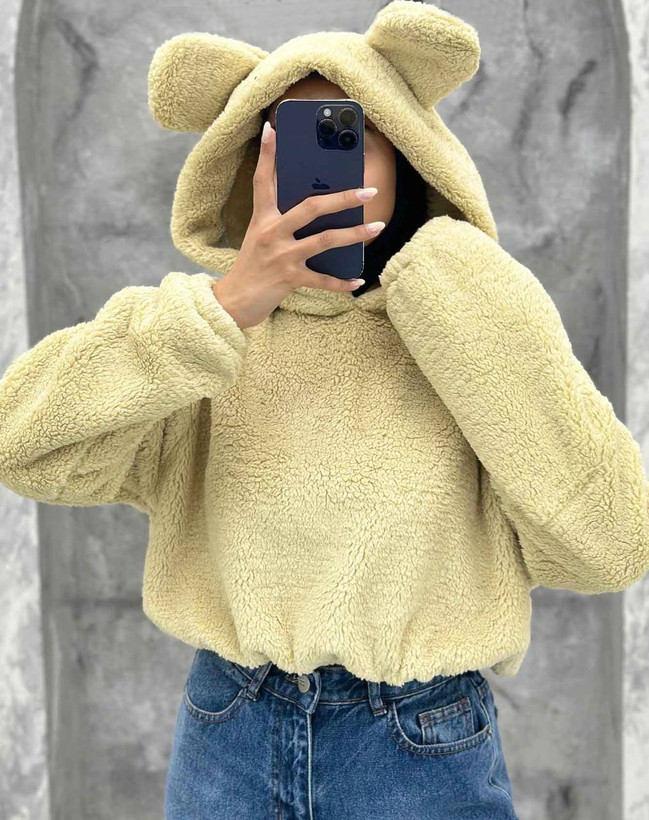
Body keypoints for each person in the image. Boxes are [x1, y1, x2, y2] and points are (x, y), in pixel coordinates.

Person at [1, 2, 647, 818]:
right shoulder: (202, 338)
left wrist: (453, 282)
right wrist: (226, 305)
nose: (321, 169)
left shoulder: (465, 323)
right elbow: (22, 441)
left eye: (347, 134)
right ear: (248, 166)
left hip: (418, 743)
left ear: (407, 153)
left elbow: (611, 544)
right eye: (287, 139)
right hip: (229, 730)